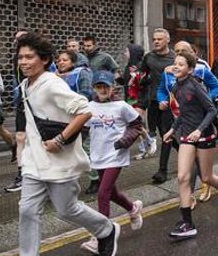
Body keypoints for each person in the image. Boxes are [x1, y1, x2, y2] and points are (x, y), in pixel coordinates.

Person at [16, 32, 121, 256]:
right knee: (27, 210)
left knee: (66, 209)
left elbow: (85, 110)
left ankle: (106, 229)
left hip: (58, 160)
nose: (23, 62)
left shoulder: (52, 84)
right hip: (34, 161)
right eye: (20, 57)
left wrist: (60, 139)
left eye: (29, 57)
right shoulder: (25, 85)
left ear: (44, 59)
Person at [163, 50, 218, 239]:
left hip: (204, 136)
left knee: (206, 177)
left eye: (181, 64)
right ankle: (188, 223)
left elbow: (212, 110)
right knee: (182, 177)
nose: (176, 67)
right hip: (187, 135)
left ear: (190, 69)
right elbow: (183, 113)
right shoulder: (174, 87)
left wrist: (199, 130)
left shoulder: (196, 86)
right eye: (175, 64)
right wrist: (172, 130)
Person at [81, 71, 144, 254]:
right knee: (112, 193)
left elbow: (137, 124)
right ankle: (133, 208)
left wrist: (124, 142)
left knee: (102, 193)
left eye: (105, 86)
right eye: (99, 86)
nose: (102, 90)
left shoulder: (121, 106)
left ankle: (101, 236)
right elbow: (82, 129)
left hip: (116, 154)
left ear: (112, 88)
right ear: (94, 88)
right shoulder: (89, 106)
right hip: (98, 155)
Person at [56, 50, 100, 193]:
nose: (61, 62)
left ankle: (96, 179)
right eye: (59, 60)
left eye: (65, 60)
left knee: (84, 151)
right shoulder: (55, 76)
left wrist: (69, 105)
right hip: (63, 119)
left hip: (82, 118)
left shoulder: (82, 73)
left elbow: (86, 94)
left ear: (72, 62)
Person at [140, 28, 175, 184]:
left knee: (166, 136)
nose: (156, 41)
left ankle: (162, 171)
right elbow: (143, 75)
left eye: (159, 39)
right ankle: (189, 155)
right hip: (153, 101)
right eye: (154, 39)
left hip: (168, 102)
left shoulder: (174, 58)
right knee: (163, 135)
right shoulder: (149, 57)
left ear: (167, 40)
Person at [5, 30, 28, 193]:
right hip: (23, 101)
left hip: (39, 99)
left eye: (21, 39)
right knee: (20, 137)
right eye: (16, 40)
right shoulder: (16, 58)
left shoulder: (41, 56)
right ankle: (21, 176)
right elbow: (17, 82)